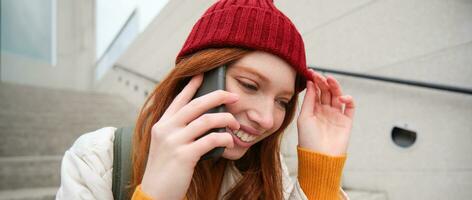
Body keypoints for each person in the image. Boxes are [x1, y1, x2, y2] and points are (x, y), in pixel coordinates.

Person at [56, 0, 356, 199]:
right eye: (250, 85)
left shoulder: (268, 172)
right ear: (197, 74)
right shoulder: (97, 158)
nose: (267, 118)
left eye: (282, 101)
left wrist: (320, 176)